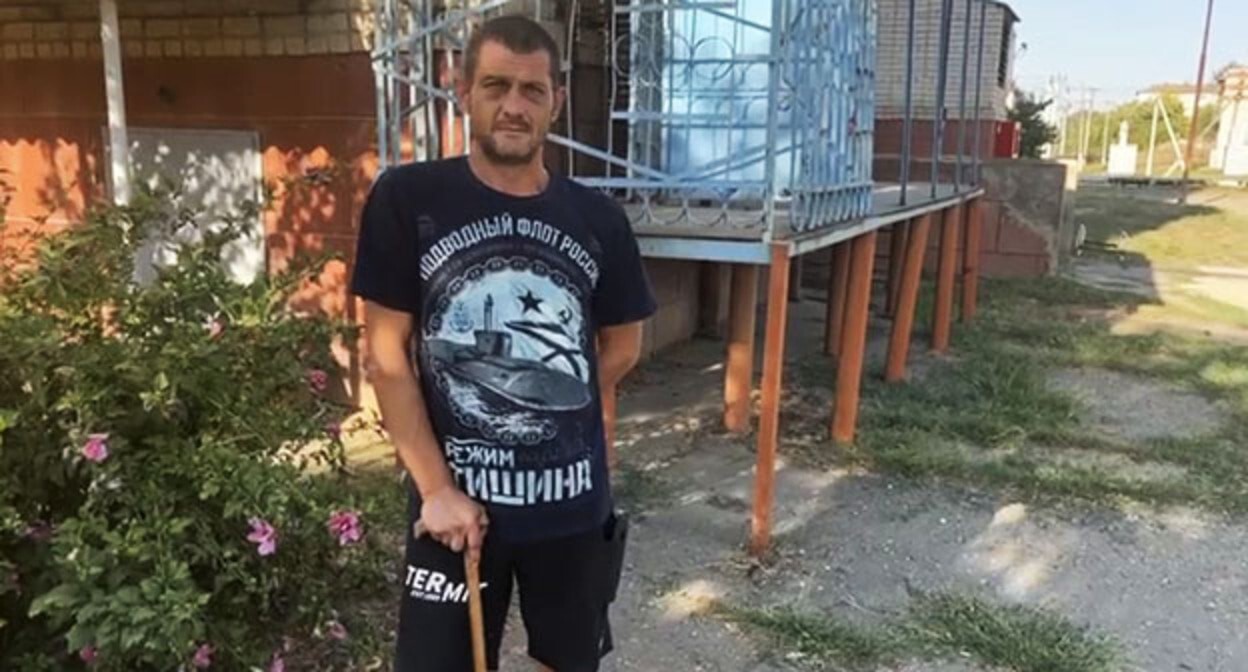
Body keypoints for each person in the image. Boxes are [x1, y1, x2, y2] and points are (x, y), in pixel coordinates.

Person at [350, 14, 656, 672]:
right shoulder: (408, 200)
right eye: (495, 86)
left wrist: (543, 410)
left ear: (556, 102)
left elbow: (624, 346)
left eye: (532, 90)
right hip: (453, 509)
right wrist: (436, 488)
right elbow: (386, 356)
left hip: (572, 508)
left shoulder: (600, 219)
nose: (514, 106)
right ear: (462, 90)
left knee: (567, 662)